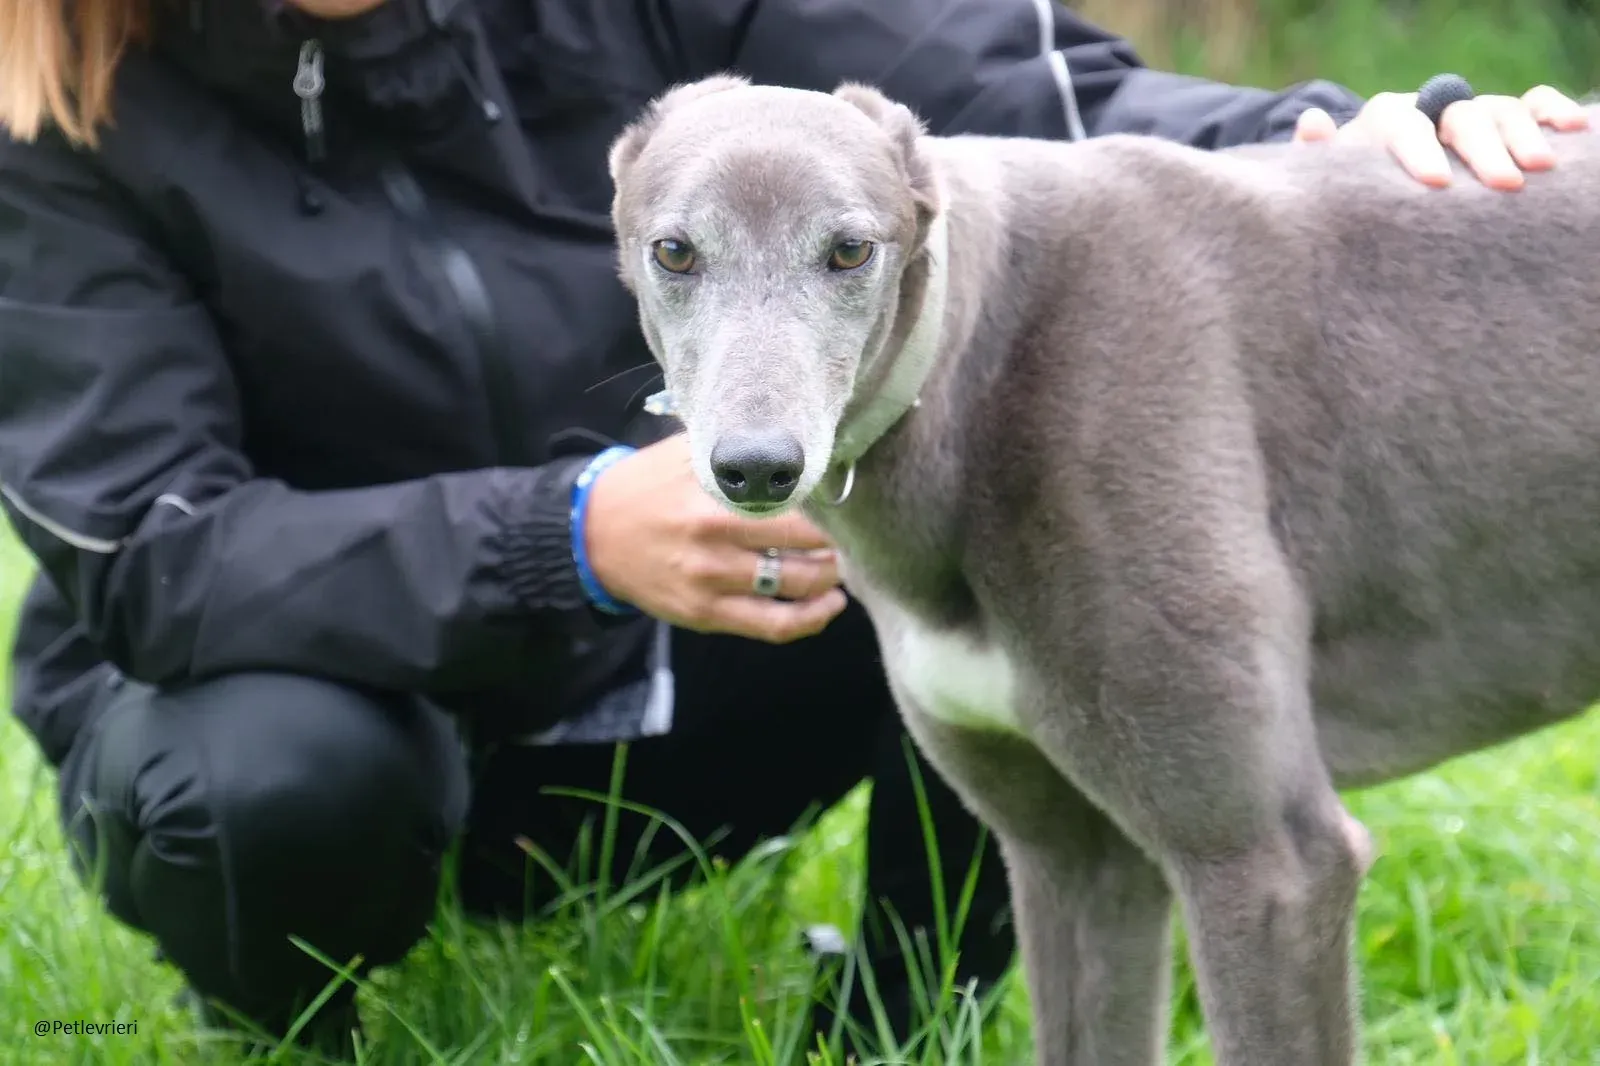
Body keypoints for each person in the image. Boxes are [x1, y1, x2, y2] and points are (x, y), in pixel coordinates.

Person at [0, 0, 1585, 1057]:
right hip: (363, 714)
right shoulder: (52, 121)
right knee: (267, 786)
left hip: (718, 643)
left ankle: (898, 1008)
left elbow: (1038, 99)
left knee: (994, 513)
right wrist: (559, 531)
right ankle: (298, 1008)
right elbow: (150, 543)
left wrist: (1366, 129)